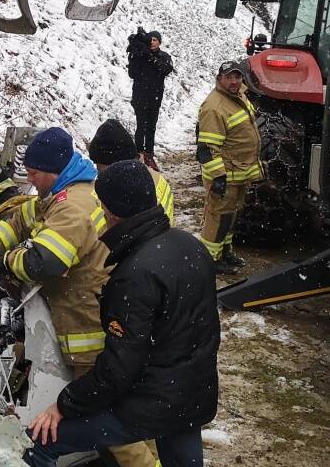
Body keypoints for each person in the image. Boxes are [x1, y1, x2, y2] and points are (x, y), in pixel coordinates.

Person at [0, 129, 160, 467]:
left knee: (111, 423)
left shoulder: (70, 208)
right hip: (112, 323)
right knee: (131, 414)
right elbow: (24, 217)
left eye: (33, 174)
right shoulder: (67, 192)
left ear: (53, 171)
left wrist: (3, 262)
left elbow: (43, 261)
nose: (30, 180)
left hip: (88, 329)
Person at [24, 159, 220, 467]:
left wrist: (64, 405)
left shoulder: (134, 275)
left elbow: (119, 369)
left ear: (114, 212)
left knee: (43, 440)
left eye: (102, 206)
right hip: (192, 395)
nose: (100, 213)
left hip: (151, 403)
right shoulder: (189, 246)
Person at [196, 60, 262, 275]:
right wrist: (218, 177)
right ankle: (209, 259)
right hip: (225, 174)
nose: (234, 81)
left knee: (231, 215)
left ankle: (225, 252)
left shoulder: (239, 95)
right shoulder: (214, 107)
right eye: (229, 77)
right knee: (218, 216)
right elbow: (206, 148)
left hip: (239, 171)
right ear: (220, 78)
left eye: (237, 76)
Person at [86, 118, 174, 225]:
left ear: (116, 166)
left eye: (101, 169)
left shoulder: (127, 192)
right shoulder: (154, 178)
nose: (100, 175)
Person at [126, 27, 175, 170]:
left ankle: (149, 155)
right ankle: (138, 154)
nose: (152, 42)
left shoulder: (164, 56)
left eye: (155, 40)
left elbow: (165, 70)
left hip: (155, 97)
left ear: (160, 42)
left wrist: (150, 57)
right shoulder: (140, 54)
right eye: (151, 39)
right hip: (140, 96)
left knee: (151, 127)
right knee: (140, 126)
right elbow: (132, 74)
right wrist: (135, 56)